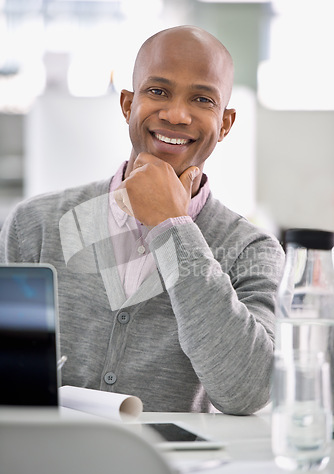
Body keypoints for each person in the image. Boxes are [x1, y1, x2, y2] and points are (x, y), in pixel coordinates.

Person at [0, 25, 284, 414]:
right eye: (158, 92)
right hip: (45, 465)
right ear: (128, 105)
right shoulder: (36, 223)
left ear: (226, 123)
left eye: (202, 99)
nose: (177, 114)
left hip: (170, 472)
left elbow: (248, 391)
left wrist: (173, 227)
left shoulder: (252, 249)